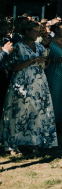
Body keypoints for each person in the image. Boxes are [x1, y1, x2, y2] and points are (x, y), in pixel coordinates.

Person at [0, 21, 57, 155]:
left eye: (38, 31)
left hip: (39, 84)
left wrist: (45, 61)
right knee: (18, 114)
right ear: (26, 31)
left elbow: (45, 65)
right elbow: (12, 67)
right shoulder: (18, 47)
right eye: (35, 31)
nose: (38, 34)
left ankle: (34, 142)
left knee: (36, 113)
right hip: (22, 84)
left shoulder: (39, 46)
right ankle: (13, 145)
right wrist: (31, 60)